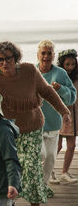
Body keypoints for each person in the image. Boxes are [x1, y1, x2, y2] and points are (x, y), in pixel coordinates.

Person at [0, 41, 70, 206]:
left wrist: (64, 111)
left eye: (8, 58)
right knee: (9, 171)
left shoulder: (30, 71)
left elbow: (47, 91)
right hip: (7, 132)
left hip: (31, 128)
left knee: (31, 170)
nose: (4, 63)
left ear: (16, 58)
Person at [36, 40, 76, 195]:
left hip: (53, 123)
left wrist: (61, 89)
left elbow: (72, 97)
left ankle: (43, 186)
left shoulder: (60, 73)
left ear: (53, 55)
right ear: (38, 54)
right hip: (35, 123)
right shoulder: (32, 71)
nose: (46, 56)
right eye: (43, 53)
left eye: (49, 53)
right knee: (42, 154)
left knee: (51, 158)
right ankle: (35, 182)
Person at [56, 49, 78, 183]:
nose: (70, 67)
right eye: (67, 64)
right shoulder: (58, 77)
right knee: (56, 146)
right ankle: (49, 170)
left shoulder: (77, 76)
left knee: (71, 145)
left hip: (75, 115)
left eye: (73, 64)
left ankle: (64, 172)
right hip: (60, 114)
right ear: (62, 64)